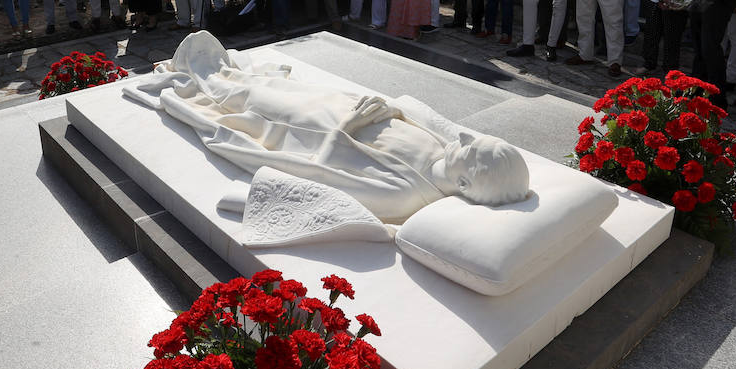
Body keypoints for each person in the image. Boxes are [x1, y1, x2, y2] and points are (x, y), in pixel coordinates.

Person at [126, 32, 532, 223]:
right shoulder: (444, 149)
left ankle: (201, 76)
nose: (462, 135)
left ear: (465, 185)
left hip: (305, 128)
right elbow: (403, 116)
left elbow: (318, 175)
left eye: (472, 149)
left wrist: (349, 125)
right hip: (329, 106)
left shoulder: (404, 195)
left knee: (243, 95)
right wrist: (383, 109)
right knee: (268, 84)